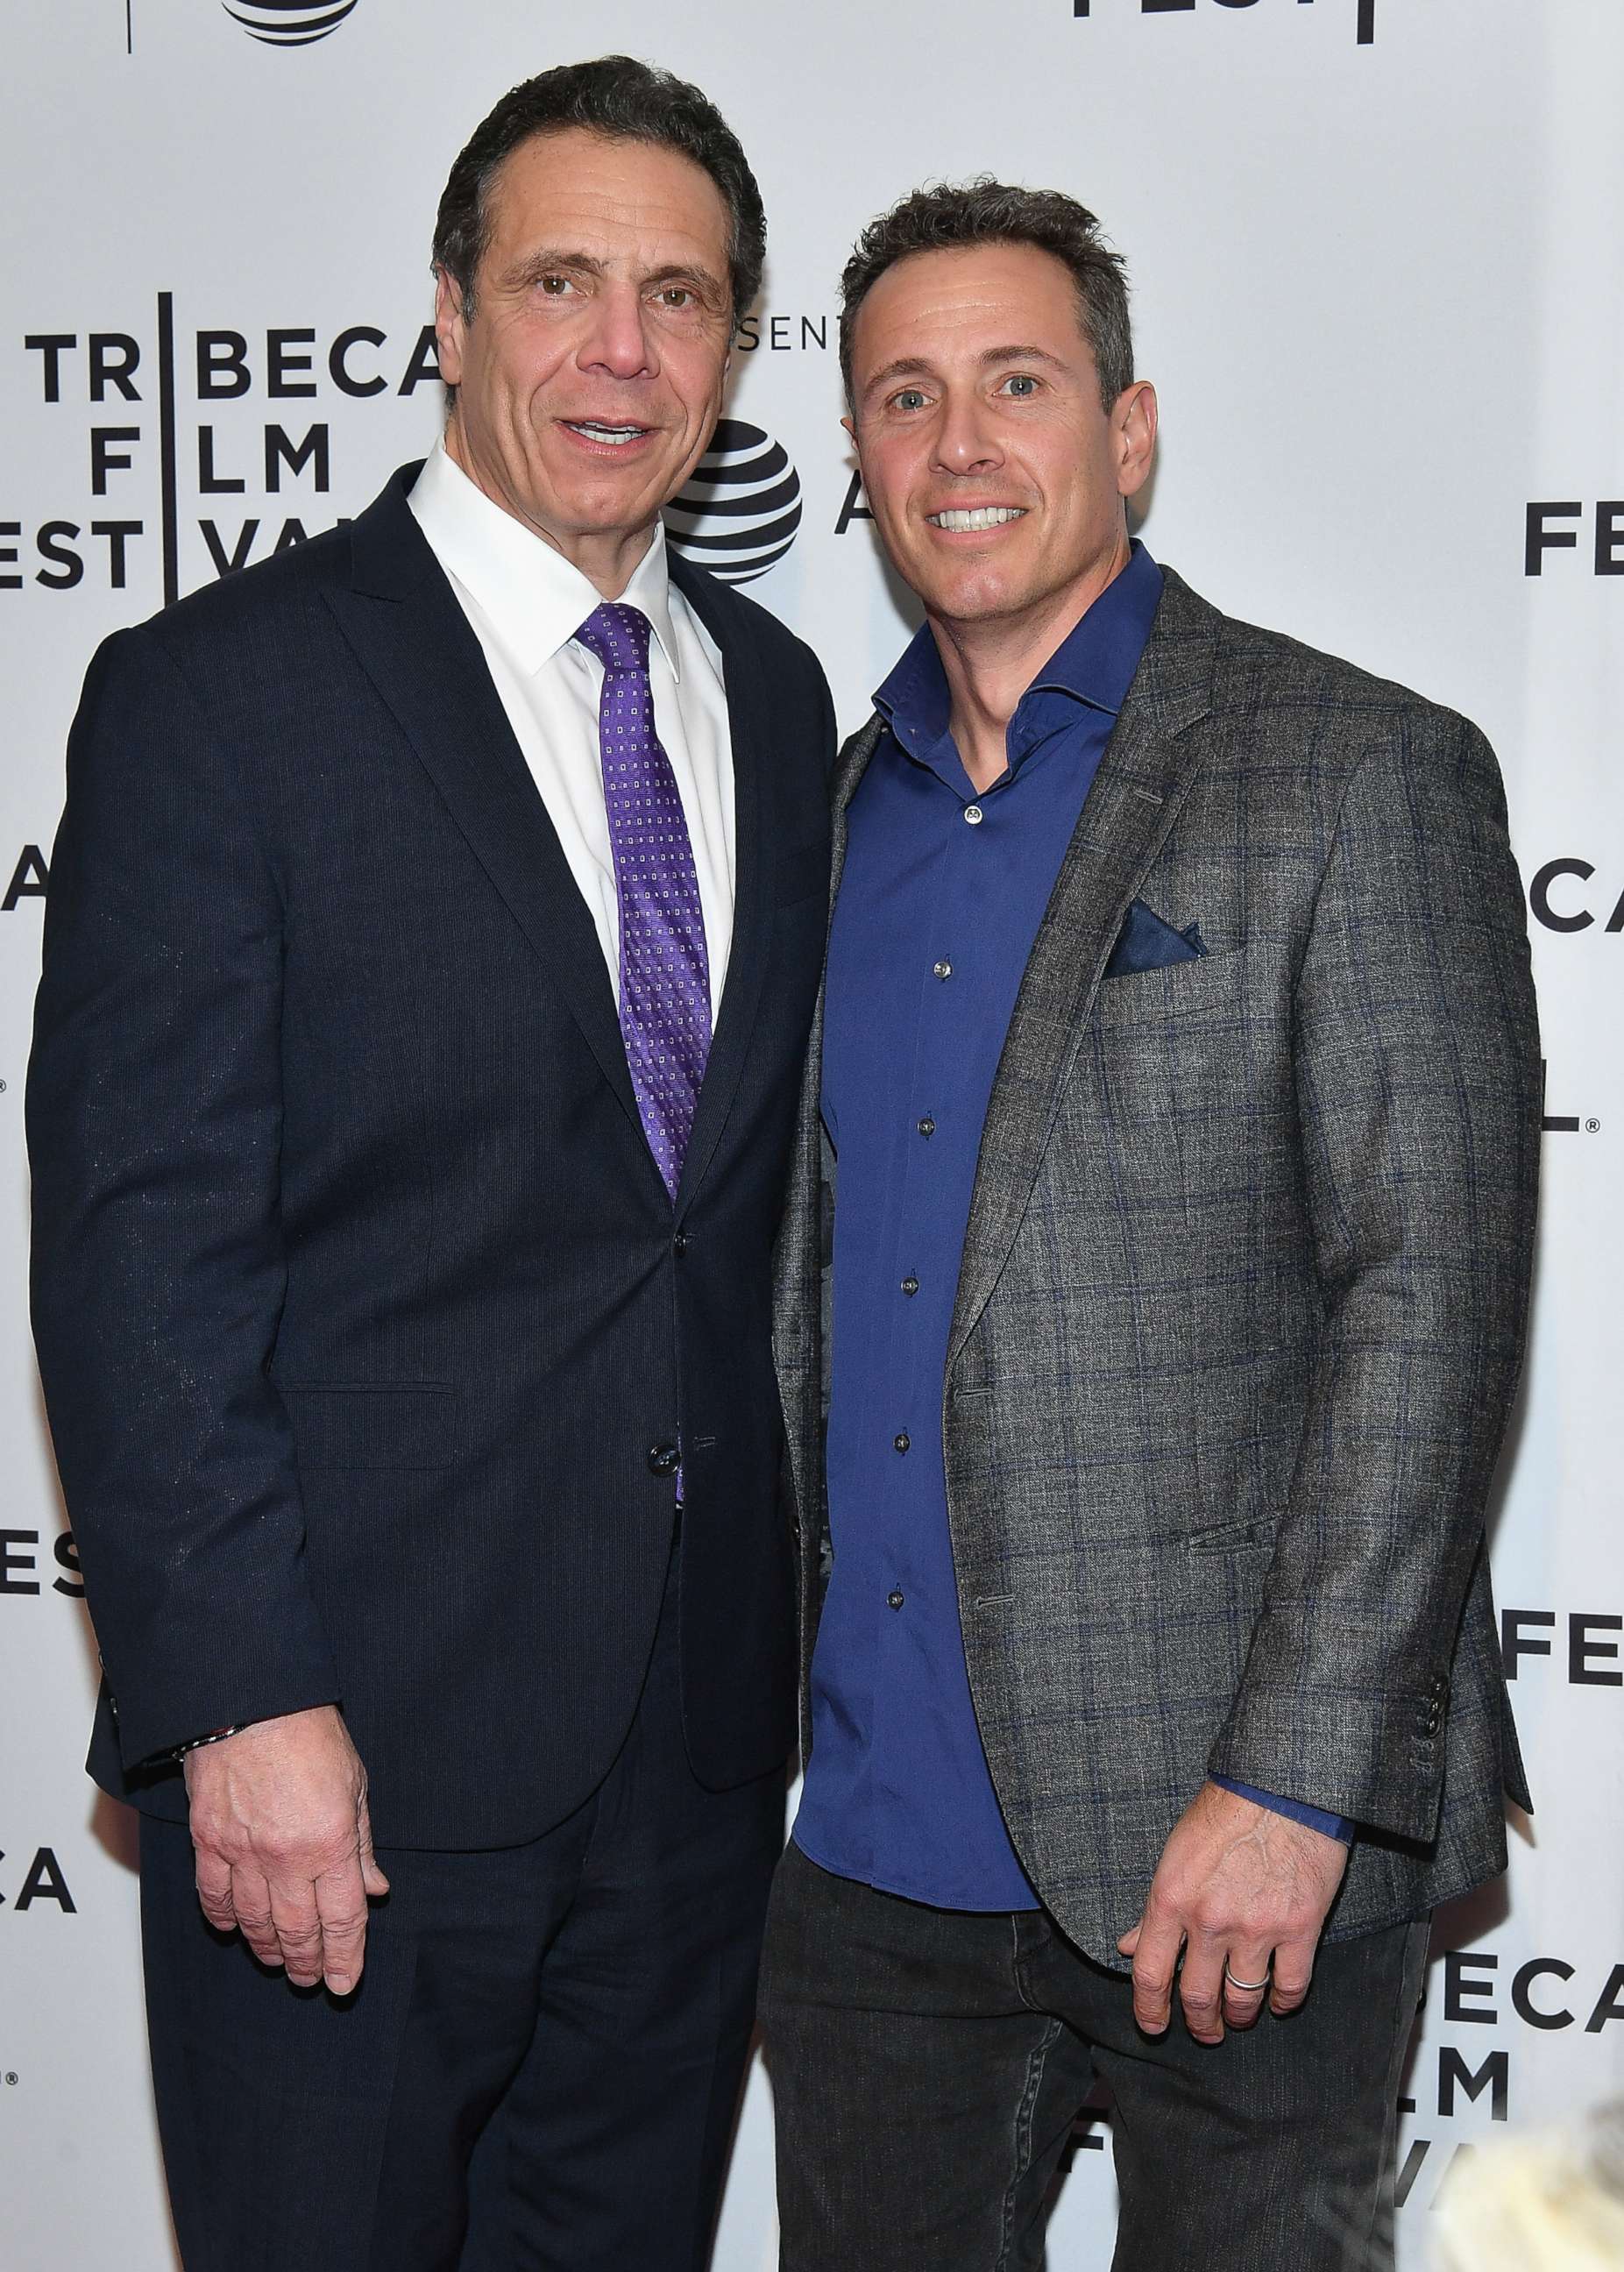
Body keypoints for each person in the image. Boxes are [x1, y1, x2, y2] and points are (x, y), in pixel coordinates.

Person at [28, 55, 833, 2272]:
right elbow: (138, 1246)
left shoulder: (769, 695)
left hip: (684, 1768)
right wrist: (242, 1706)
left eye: (682, 300)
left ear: (732, 348)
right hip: (344, 1770)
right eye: (562, 282)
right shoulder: (224, 694)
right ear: (452, 315)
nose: (623, 351)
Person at [759, 179, 1538, 2271]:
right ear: (856, 458)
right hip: (875, 1859)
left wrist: (1295, 1788)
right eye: (903, 398)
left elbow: (1432, 1302)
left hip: (1234, 1855)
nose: (959, 446)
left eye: (1017, 382)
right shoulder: (826, 819)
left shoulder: (1353, 768)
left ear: (1132, 425)